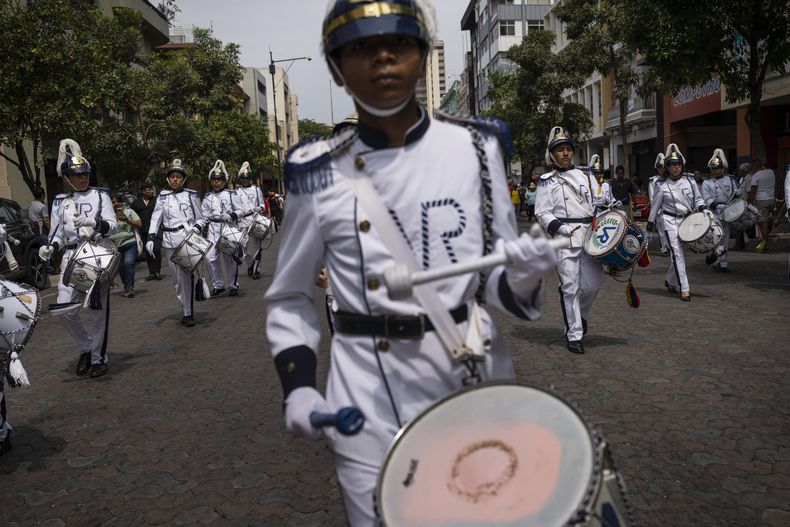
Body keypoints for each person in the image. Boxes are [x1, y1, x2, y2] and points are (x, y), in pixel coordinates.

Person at [264, 2, 556, 523]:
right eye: (359, 48)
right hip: (367, 395)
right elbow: (290, 297)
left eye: (398, 43)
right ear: (335, 68)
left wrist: (525, 271)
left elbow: (493, 283)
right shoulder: (316, 170)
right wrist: (300, 386)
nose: (382, 58)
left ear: (421, 55)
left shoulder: (475, 148)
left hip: (468, 375)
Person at [39, 139, 117, 378]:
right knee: (64, 309)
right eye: (77, 175)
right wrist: (50, 247)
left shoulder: (100, 196)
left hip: (95, 253)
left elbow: (113, 227)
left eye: (85, 174)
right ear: (67, 178)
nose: (82, 179)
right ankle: (86, 347)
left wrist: (95, 223)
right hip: (71, 256)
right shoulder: (61, 202)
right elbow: (57, 234)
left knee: (96, 310)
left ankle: (97, 359)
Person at [535, 128, 606, 354]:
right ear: (552, 155)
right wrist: (560, 228)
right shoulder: (547, 181)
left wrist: (605, 201)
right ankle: (574, 334)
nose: (565, 154)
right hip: (564, 237)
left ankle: (581, 316)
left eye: (568, 149)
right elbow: (542, 212)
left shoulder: (586, 175)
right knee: (570, 286)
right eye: (560, 150)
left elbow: (599, 200)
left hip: (590, 234)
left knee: (592, 284)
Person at [147, 159, 207, 327]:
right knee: (176, 281)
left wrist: (195, 229)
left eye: (178, 177)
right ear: (168, 179)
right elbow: (155, 218)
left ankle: (188, 313)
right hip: (168, 241)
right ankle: (185, 306)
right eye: (172, 176)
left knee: (185, 277)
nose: (175, 179)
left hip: (186, 240)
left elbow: (201, 219)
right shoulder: (162, 197)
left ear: (183, 179)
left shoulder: (191, 195)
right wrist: (151, 237)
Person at [646, 144, 708, 302]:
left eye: (678, 164)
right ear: (667, 167)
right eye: (673, 165)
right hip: (670, 221)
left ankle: (670, 280)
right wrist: (650, 225)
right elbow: (655, 207)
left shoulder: (690, 181)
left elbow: (698, 199)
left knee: (681, 255)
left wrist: (702, 208)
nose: (676, 168)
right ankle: (685, 289)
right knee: (678, 254)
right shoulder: (661, 185)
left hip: (688, 220)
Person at [202, 160, 240, 297]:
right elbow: (204, 214)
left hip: (227, 227)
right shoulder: (207, 197)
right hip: (212, 228)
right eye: (213, 180)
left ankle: (233, 284)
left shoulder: (231, 194)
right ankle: (218, 284)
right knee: (209, 257)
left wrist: (232, 215)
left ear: (223, 181)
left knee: (229, 258)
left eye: (218, 180)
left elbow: (240, 210)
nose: (216, 182)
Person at [701, 149, 740, 272]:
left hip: (728, 211)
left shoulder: (730, 180)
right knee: (717, 236)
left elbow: (736, 194)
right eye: (712, 168)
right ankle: (716, 257)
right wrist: (715, 205)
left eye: (717, 168)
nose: (714, 171)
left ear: (722, 168)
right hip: (714, 212)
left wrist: (739, 194)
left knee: (726, 237)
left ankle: (723, 263)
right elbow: (706, 199)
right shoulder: (706, 182)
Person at [232, 162, 266, 279]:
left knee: (257, 247)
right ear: (241, 179)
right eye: (243, 178)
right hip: (242, 221)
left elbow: (262, 205)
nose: (245, 180)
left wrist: (259, 208)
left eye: (247, 178)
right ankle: (250, 264)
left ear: (250, 178)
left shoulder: (256, 190)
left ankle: (257, 269)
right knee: (243, 247)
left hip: (255, 220)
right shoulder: (237, 191)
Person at [109, 194, 141, 297]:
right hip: (114, 247)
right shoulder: (107, 216)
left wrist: (127, 220)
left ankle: (130, 288)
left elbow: (140, 224)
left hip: (129, 243)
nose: (115, 204)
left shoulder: (129, 212)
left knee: (128, 264)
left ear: (121, 203)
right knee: (121, 269)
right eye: (112, 202)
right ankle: (127, 287)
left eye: (116, 202)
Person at [131, 182, 162, 281]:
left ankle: (157, 271)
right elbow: (131, 214)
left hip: (156, 230)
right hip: (143, 231)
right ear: (143, 191)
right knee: (148, 251)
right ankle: (151, 272)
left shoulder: (157, 200)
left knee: (156, 249)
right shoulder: (136, 203)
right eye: (149, 189)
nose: (151, 191)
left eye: (152, 189)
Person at [747, 158, 776, 253]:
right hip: (771, 200)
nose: (751, 169)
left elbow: (753, 192)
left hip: (761, 201)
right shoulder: (771, 172)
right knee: (766, 222)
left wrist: (749, 202)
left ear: (755, 166)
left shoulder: (756, 176)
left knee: (762, 223)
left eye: (752, 167)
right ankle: (764, 242)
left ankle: (764, 245)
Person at [28, 187, 54, 273]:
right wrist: (52, 230)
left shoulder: (30, 205)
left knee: (40, 251)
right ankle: (49, 269)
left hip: (33, 231)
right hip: (42, 231)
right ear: (43, 195)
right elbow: (46, 221)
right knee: (46, 250)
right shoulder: (43, 206)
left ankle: (44, 269)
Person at [649, 153, 670, 257]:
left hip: (669, 210)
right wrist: (657, 211)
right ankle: (664, 248)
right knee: (662, 231)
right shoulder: (653, 181)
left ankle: (669, 247)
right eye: (659, 167)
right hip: (659, 211)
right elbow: (653, 198)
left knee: (669, 230)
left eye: (662, 167)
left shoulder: (669, 179)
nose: (661, 169)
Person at [733, 162, 753, 250]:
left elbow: (749, 193)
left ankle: (740, 245)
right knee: (739, 225)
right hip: (740, 204)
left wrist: (747, 205)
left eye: (740, 170)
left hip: (745, 205)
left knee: (742, 226)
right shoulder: (743, 179)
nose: (739, 172)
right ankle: (739, 244)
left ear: (744, 170)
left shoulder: (749, 179)